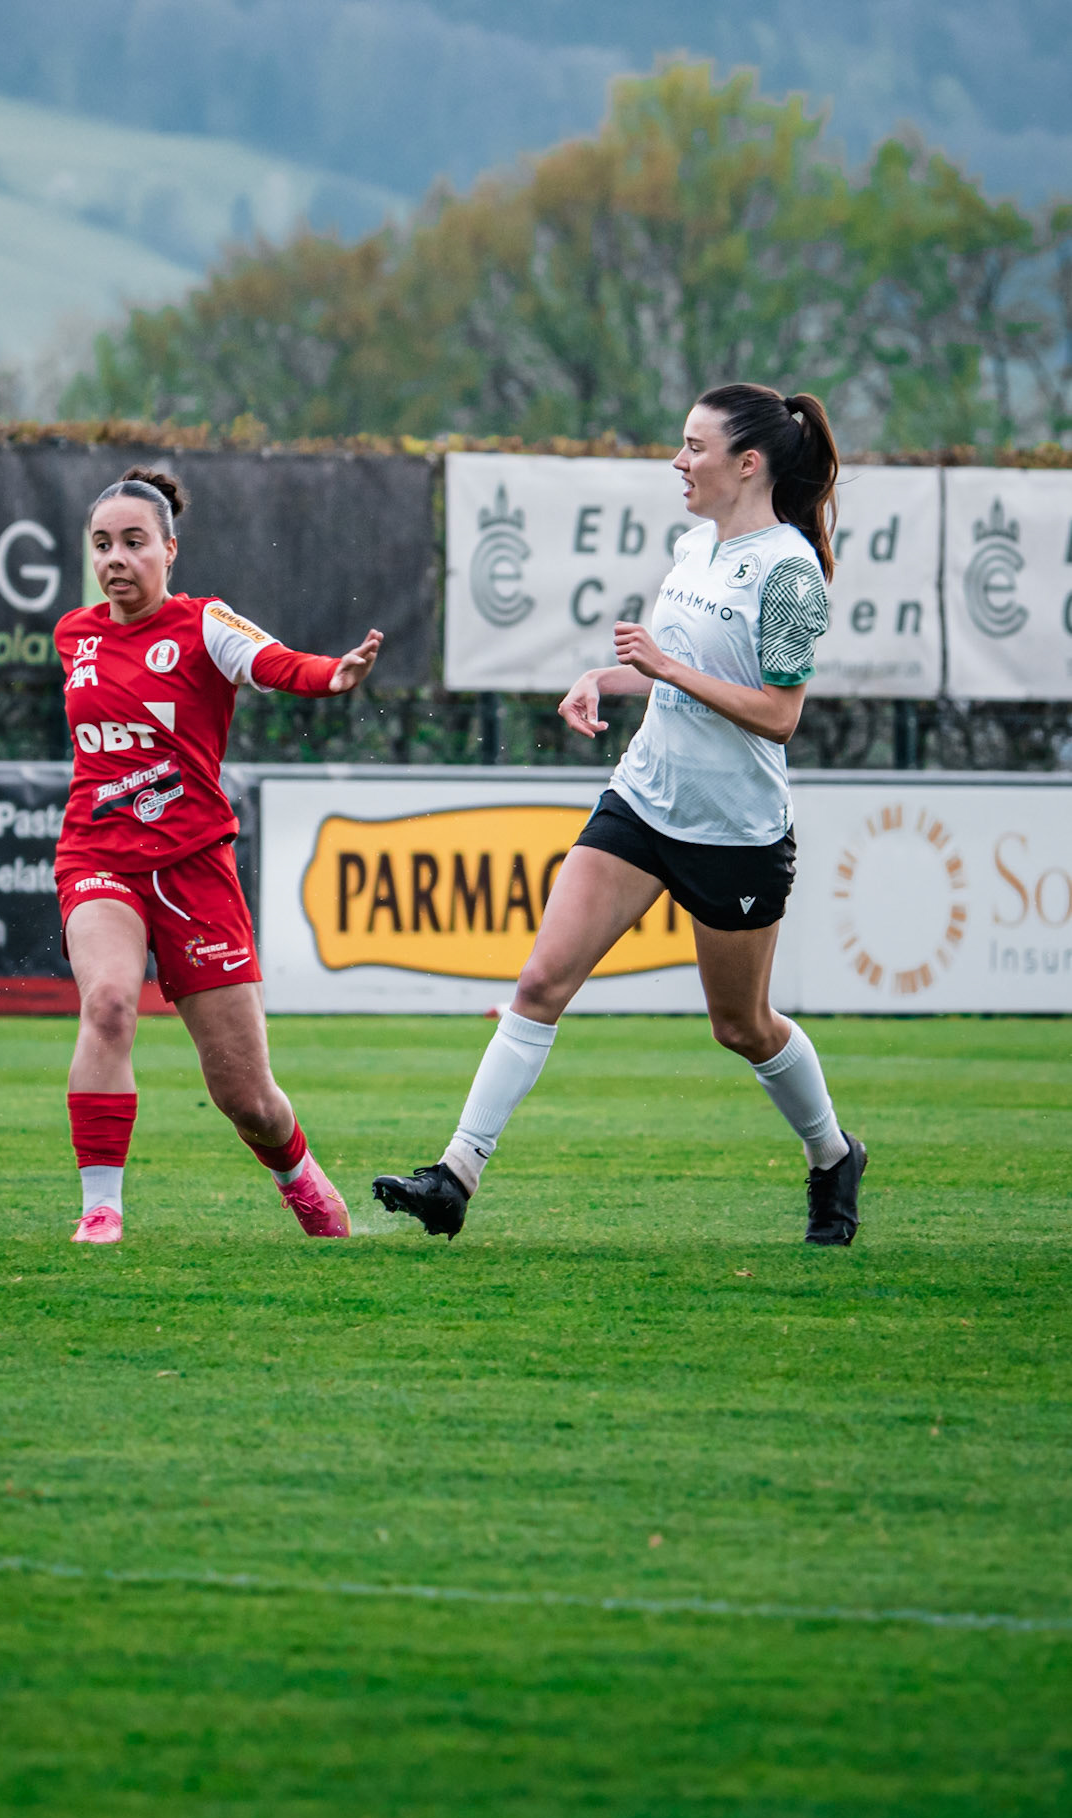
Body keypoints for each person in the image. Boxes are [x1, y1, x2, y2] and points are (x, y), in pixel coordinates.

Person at [373, 383, 866, 1247]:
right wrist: (604, 678)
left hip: (734, 833)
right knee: (537, 985)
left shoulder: (787, 571)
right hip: (641, 803)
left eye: (692, 448)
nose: (677, 462)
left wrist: (666, 669)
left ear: (745, 464)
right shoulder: (695, 546)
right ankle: (454, 1175)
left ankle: (831, 1156)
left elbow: (778, 714)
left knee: (740, 1027)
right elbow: (670, 665)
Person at [55, 466, 382, 1245]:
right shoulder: (75, 635)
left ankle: (297, 1178)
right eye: (102, 545)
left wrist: (330, 675)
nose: (115, 559)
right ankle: (101, 1207)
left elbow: (274, 662)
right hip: (97, 855)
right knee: (107, 1003)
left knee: (248, 1098)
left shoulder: (203, 625)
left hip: (196, 868)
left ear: (169, 550)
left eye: (134, 543)